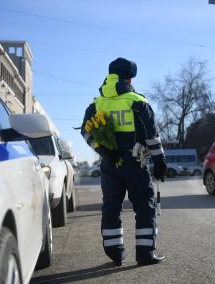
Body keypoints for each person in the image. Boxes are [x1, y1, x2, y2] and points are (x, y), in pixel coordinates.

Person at [81, 57, 167, 266]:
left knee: (111, 207)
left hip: (110, 164)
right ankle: (145, 254)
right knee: (145, 207)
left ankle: (115, 252)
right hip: (136, 163)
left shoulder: (96, 103)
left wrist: (103, 151)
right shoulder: (137, 101)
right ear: (129, 78)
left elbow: (86, 132)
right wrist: (159, 160)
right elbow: (151, 135)